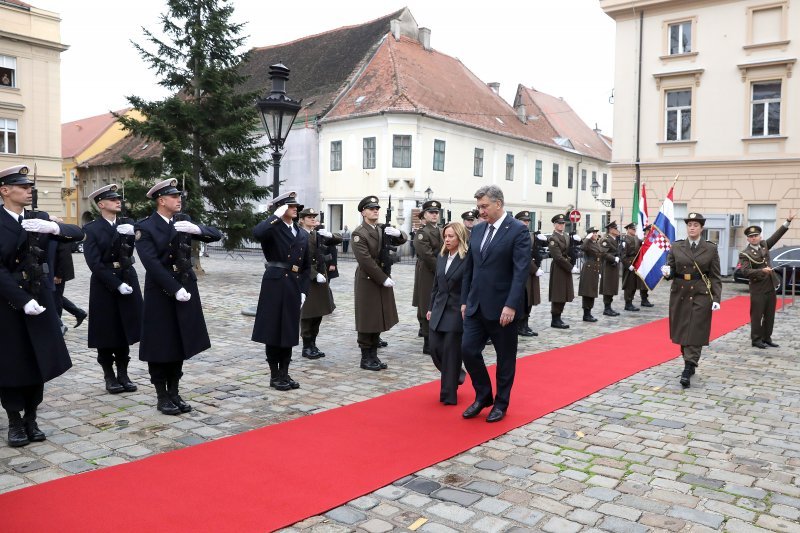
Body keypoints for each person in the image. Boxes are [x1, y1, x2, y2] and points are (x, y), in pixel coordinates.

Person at [0, 164, 83, 447]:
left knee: (38, 360)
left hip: (40, 296)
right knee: (11, 363)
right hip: (8, 303)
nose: (28, 190)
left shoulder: (39, 218)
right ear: (5, 190)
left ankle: (31, 417)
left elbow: (78, 234)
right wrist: (22, 301)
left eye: (29, 186)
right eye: (22, 187)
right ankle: (14, 421)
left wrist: (54, 226)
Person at [135, 178, 222, 414]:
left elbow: (216, 235)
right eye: (174, 197)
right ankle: (162, 395)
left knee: (180, 340)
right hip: (162, 292)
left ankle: (174, 391)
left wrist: (198, 230)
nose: (179, 200)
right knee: (161, 344)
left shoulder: (183, 222)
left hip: (186, 286)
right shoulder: (146, 226)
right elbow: (151, 264)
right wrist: (174, 289)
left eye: (179, 196)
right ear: (161, 200)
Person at [460, 185, 529, 423]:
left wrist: (511, 305)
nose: (480, 211)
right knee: (468, 350)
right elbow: (470, 268)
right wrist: (464, 300)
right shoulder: (477, 230)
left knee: (505, 358)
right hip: (476, 305)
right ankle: (483, 395)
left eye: (484, 206)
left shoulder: (518, 230)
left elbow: (521, 272)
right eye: (479, 207)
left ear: (498, 204)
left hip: (502, 309)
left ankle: (501, 403)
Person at [82, 184, 143, 394]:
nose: (118, 201)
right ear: (101, 204)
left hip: (127, 277)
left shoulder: (127, 224)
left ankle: (124, 373)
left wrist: (132, 233)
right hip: (105, 285)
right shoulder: (91, 229)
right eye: (113, 199)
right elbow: (94, 264)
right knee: (106, 331)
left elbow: (131, 250)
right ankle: (109, 375)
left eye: (119, 198)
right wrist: (116, 284)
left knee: (125, 329)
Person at [251, 192, 311, 390]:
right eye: (291, 206)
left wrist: (304, 290)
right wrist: (274, 216)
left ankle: (285, 373)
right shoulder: (273, 229)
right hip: (275, 283)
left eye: (296, 206)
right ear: (281, 208)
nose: (295, 208)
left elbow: (307, 266)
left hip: (294, 284)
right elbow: (257, 233)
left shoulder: (301, 233)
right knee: (273, 329)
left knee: (289, 330)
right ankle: (275, 375)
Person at [661, 212, 722, 388]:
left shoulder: (710, 248)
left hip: (701, 293)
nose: (692, 227)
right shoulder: (677, 246)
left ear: (702, 228)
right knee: (681, 330)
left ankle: (688, 367)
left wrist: (716, 297)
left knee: (696, 329)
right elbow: (671, 269)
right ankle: (689, 359)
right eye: (689, 224)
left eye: (696, 225)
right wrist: (667, 273)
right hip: (680, 292)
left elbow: (715, 276)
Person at [352, 195, 407, 371]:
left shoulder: (381, 229)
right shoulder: (359, 233)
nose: (375, 210)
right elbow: (365, 261)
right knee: (368, 318)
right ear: (363, 212)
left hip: (381, 277)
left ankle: (374, 355)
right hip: (368, 280)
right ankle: (365, 357)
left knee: (378, 317)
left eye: (377, 208)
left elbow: (402, 239)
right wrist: (383, 278)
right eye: (371, 208)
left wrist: (399, 233)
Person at [426, 222, 469, 405]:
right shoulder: (442, 256)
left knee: (451, 353)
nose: (447, 239)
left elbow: (470, 284)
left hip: (456, 311)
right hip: (438, 309)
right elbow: (436, 286)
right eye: (445, 236)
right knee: (435, 349)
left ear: (460, 237)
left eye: (451, 236)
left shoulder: (467, 258)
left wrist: (466, 304)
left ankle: (448, 395)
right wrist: (429, 308)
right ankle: (457, 374)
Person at [738, 212, 795, 349]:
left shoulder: (764, 245)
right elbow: (744, 271)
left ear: (760, 236)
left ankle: (767, 337)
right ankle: (756, 340)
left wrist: (787, 221)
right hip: (757, 288)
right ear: (748, 239)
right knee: (757, 315)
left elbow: (776, 236)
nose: (754, 238)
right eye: (751, 237)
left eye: (756, 235)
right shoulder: (745, 254)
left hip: (770, 285)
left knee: (770, 315)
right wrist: (761, 271)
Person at [297, 207, 341, 359]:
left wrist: (329, 234)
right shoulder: (298, 234)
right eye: (309, 217)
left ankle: (313, 344)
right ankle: (306, 346)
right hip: (307, 279)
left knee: (318, 313)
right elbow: (299, 260)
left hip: (321, 279)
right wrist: (314, 274)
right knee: (308, 314)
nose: (312, 219)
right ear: (301, 219)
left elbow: (338, 240)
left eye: (314, 216)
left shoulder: (318, 234)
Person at [412, 199, 443, 354]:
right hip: (427, 272)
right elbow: (428, 256)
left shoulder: (440, 230)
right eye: (431, 212)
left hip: (438, 270)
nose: (434, 215)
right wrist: (442, 270)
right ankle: (428, 341)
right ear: (424, 215)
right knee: (426, 304)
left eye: (436, 212)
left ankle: (436, 338)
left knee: (438, 302)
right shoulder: (422, 234)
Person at [547, 213, 576, 328]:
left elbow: (569, 252)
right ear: (554, 225)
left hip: (566, 267)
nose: (561, 225)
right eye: (559, 223)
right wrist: (570, 267)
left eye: (563, 223)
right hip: (559, 267)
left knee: (564, 292)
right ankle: (555, 319)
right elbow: (558, 257)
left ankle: (559, 316)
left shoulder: (566, 236)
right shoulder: (553, 238)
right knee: (558, 293)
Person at [514, 211, 541, 337]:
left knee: (530, 297)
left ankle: (525, 324)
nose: (526, 223)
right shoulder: (515, 234)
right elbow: (522, 256)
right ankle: (520, 325)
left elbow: (534, 252)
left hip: (531, 270)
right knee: (523, 299)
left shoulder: (530, 235)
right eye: (524, 220)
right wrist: (534, 269)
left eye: (527, 221)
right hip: (523, 270)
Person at [53, 241, 88, 329]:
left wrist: (59, 274)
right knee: (54, 295)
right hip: (50, 272)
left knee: (56, 297)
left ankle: (58, 326)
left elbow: (64, 255)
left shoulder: (59, 232)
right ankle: (78, 313)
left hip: (57, 273)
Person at [577, 227, 602, 322]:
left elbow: (600, 255)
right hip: (588, 269)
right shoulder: (587, 243)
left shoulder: (596, 243)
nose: (595, 235)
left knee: (592, 291)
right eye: (593, 233)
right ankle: (586, 314)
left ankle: (589, 312)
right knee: (587, 292)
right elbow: (582, 248)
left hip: (595, 270)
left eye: (596, 233)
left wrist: (600, 271)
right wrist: (587, 238)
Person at [599, 221, 621, 316]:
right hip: (608, 266)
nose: (617, 230)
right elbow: (603, 253)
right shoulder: (606, 239)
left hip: (613, 266)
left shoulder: (615, 239)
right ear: (611, 230)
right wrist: (613, 258)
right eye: (615, 228)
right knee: (608, 287)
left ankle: (609, 307)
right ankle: (606, 308)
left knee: (612, 286)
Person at [621, 222, 645, 311]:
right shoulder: (625, 240)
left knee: (634, 284)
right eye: (633, 229)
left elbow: (643, 243)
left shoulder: (636, 238)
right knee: (629, 285)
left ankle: (630, 302)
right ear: (628, 230)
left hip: (635, 264)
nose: (634, 230)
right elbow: (623, 256)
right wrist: (628, 265)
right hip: (629, 264)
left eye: (635, 229)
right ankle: (628, 303)